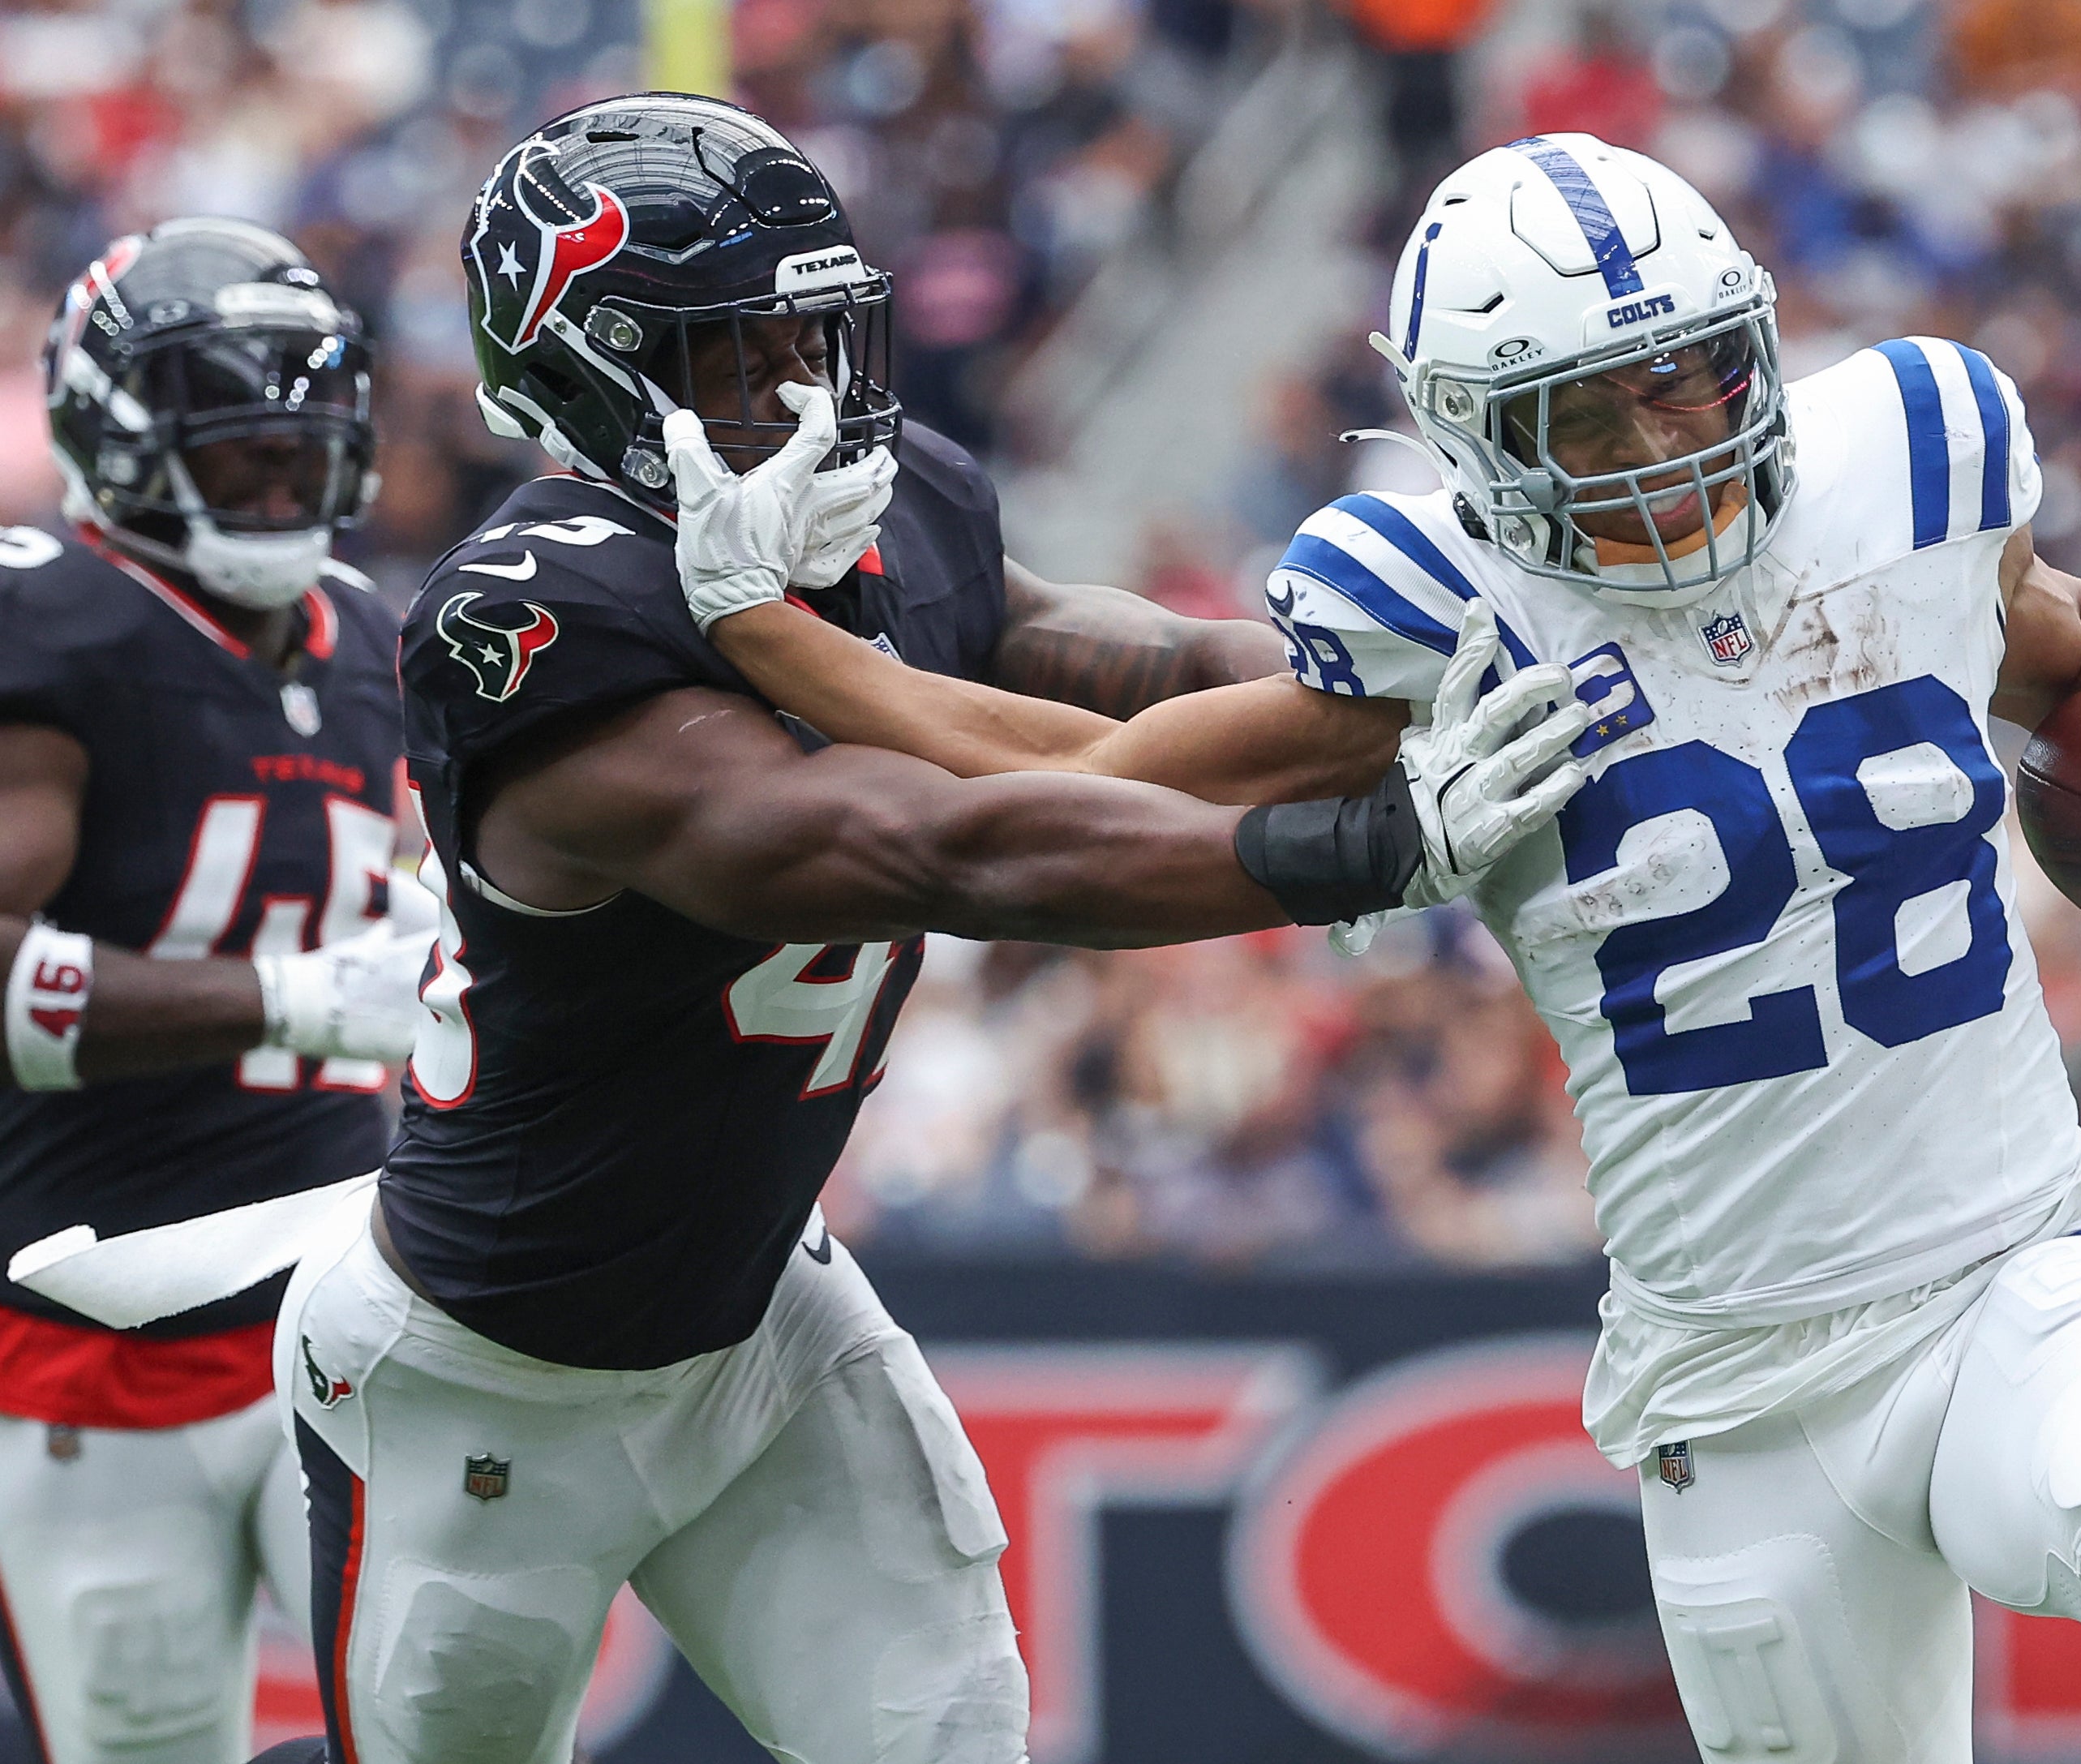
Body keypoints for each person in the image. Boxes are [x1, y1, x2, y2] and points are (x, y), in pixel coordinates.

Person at [690, 135, 2081, 1762]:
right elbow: (1088, 776)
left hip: (2012, 1252)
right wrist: (769, 633)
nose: (1656, 441)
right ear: (1471, 441)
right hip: (1735, 1372)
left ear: (1752, 346)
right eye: (1577, 414)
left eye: (1685, 378)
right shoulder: (1439, 622)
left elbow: (2064, 635)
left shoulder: (1904, 470)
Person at [258, 95, 1584, 1764]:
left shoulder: (893, 518)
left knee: (951, 1735)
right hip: (488, 1375)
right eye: (738, 359)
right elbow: (949, 847)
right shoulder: (539, 624)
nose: (807, 396)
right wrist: (1368, 846)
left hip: (759, 1314)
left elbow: (1156, 674)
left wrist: (1411, 679)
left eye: (815, 336)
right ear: (592, 377)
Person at [0, 221, 430, 1764]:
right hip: (91, 1327)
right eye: (242, 456)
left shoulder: (371, 631)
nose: (278, 488)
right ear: (118, 443)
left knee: (453, 1736)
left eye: (300, 455)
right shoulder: (51, 619)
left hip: (353, 1314)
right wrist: (292, 999)